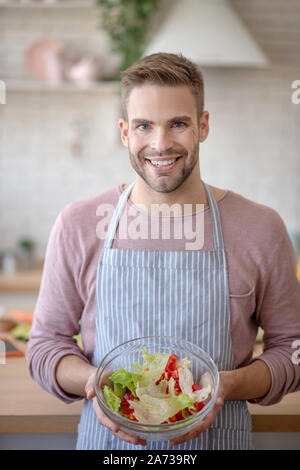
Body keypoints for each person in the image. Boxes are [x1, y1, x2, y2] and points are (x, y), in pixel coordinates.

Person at [26, 52, 300, 450]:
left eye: (178, 124)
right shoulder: (79, 224)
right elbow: (46, 345)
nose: (160, 144)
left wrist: (228, 385)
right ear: (125, 132)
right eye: (144, 126)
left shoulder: (260, 228)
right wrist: (93, 382)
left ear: (203, 126)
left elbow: (293, 349)